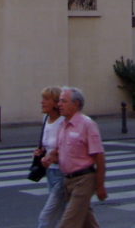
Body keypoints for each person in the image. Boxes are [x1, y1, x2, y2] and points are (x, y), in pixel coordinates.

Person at [46, 86, 107, 228]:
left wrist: (100, 186)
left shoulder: (87, 124)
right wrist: (50, 157)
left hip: (84, 180)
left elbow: (99, 156)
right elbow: (62, 151)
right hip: (68, 180)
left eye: (63, 101)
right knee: (87, 222)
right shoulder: (63, 125)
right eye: (59, 101)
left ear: (76, 104)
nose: (59, 105)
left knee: (68, 222)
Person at [35, 86, 65, 228]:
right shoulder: (46, 118)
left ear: (55, 103)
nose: (42, 102)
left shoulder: (63, 122)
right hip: (50, 172)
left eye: (46, 99)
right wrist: (41, 152)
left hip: (63, 173)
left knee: (47, 216)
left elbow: (68, 146)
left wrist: (54, 156)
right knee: (62, 214)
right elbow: (47, 144)